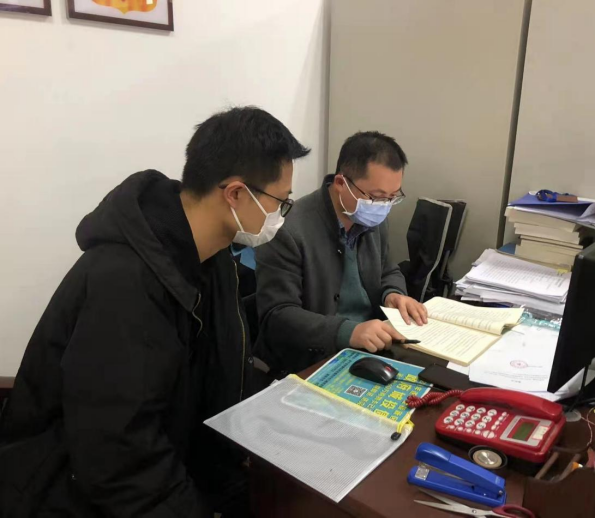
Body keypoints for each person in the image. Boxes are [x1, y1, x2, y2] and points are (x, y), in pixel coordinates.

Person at [0, 107, 310, 518]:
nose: (281, 215)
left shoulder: (214, 258)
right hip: (72, 492)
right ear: (235, 194)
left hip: (171, 465)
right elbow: (116, 457)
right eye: (280, 202)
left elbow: (218, 373)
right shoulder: (124, 283)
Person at [255, 131, 427, 375]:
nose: (383, 206)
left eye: (392, 197)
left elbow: (388, 270)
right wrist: (348, 331)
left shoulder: (373, 218)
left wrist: (393, 294)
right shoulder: (287, 230)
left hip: (372, 348)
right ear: (340, 183)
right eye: (377, 197)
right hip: (312, 359)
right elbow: (278, 316)